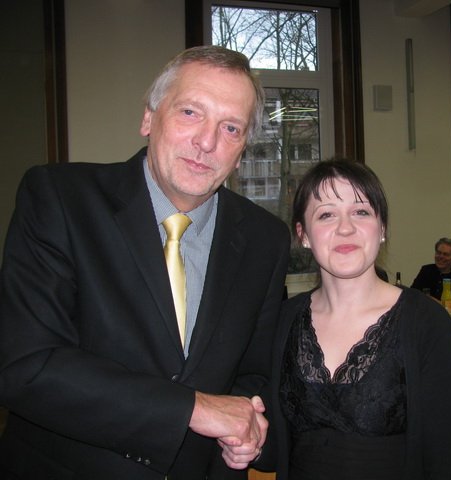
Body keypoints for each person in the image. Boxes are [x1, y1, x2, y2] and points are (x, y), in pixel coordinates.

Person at [0, 46, 290, 479]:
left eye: (231, 127)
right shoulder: (60, 199)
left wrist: (247, 429)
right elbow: (25, 365)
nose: (207, 142)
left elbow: (254, 373)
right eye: (190, 112)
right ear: (149, 118)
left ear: (243, 147)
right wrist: (191, 409)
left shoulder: (265, 239)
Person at [245, 160, 451, 479]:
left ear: (382, 228)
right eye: (326, 214)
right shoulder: (283, 322)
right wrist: (251, 442)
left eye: (361, 211)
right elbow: (277, 448)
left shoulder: (426, 323)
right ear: (303, 234)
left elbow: (445, 459)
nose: (345, 227)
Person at [410, 238, 451, 307]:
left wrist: (433, 300)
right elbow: (413, 293)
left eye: (445, 254)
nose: (441, 257)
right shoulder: (426, 270)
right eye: (438, 253)